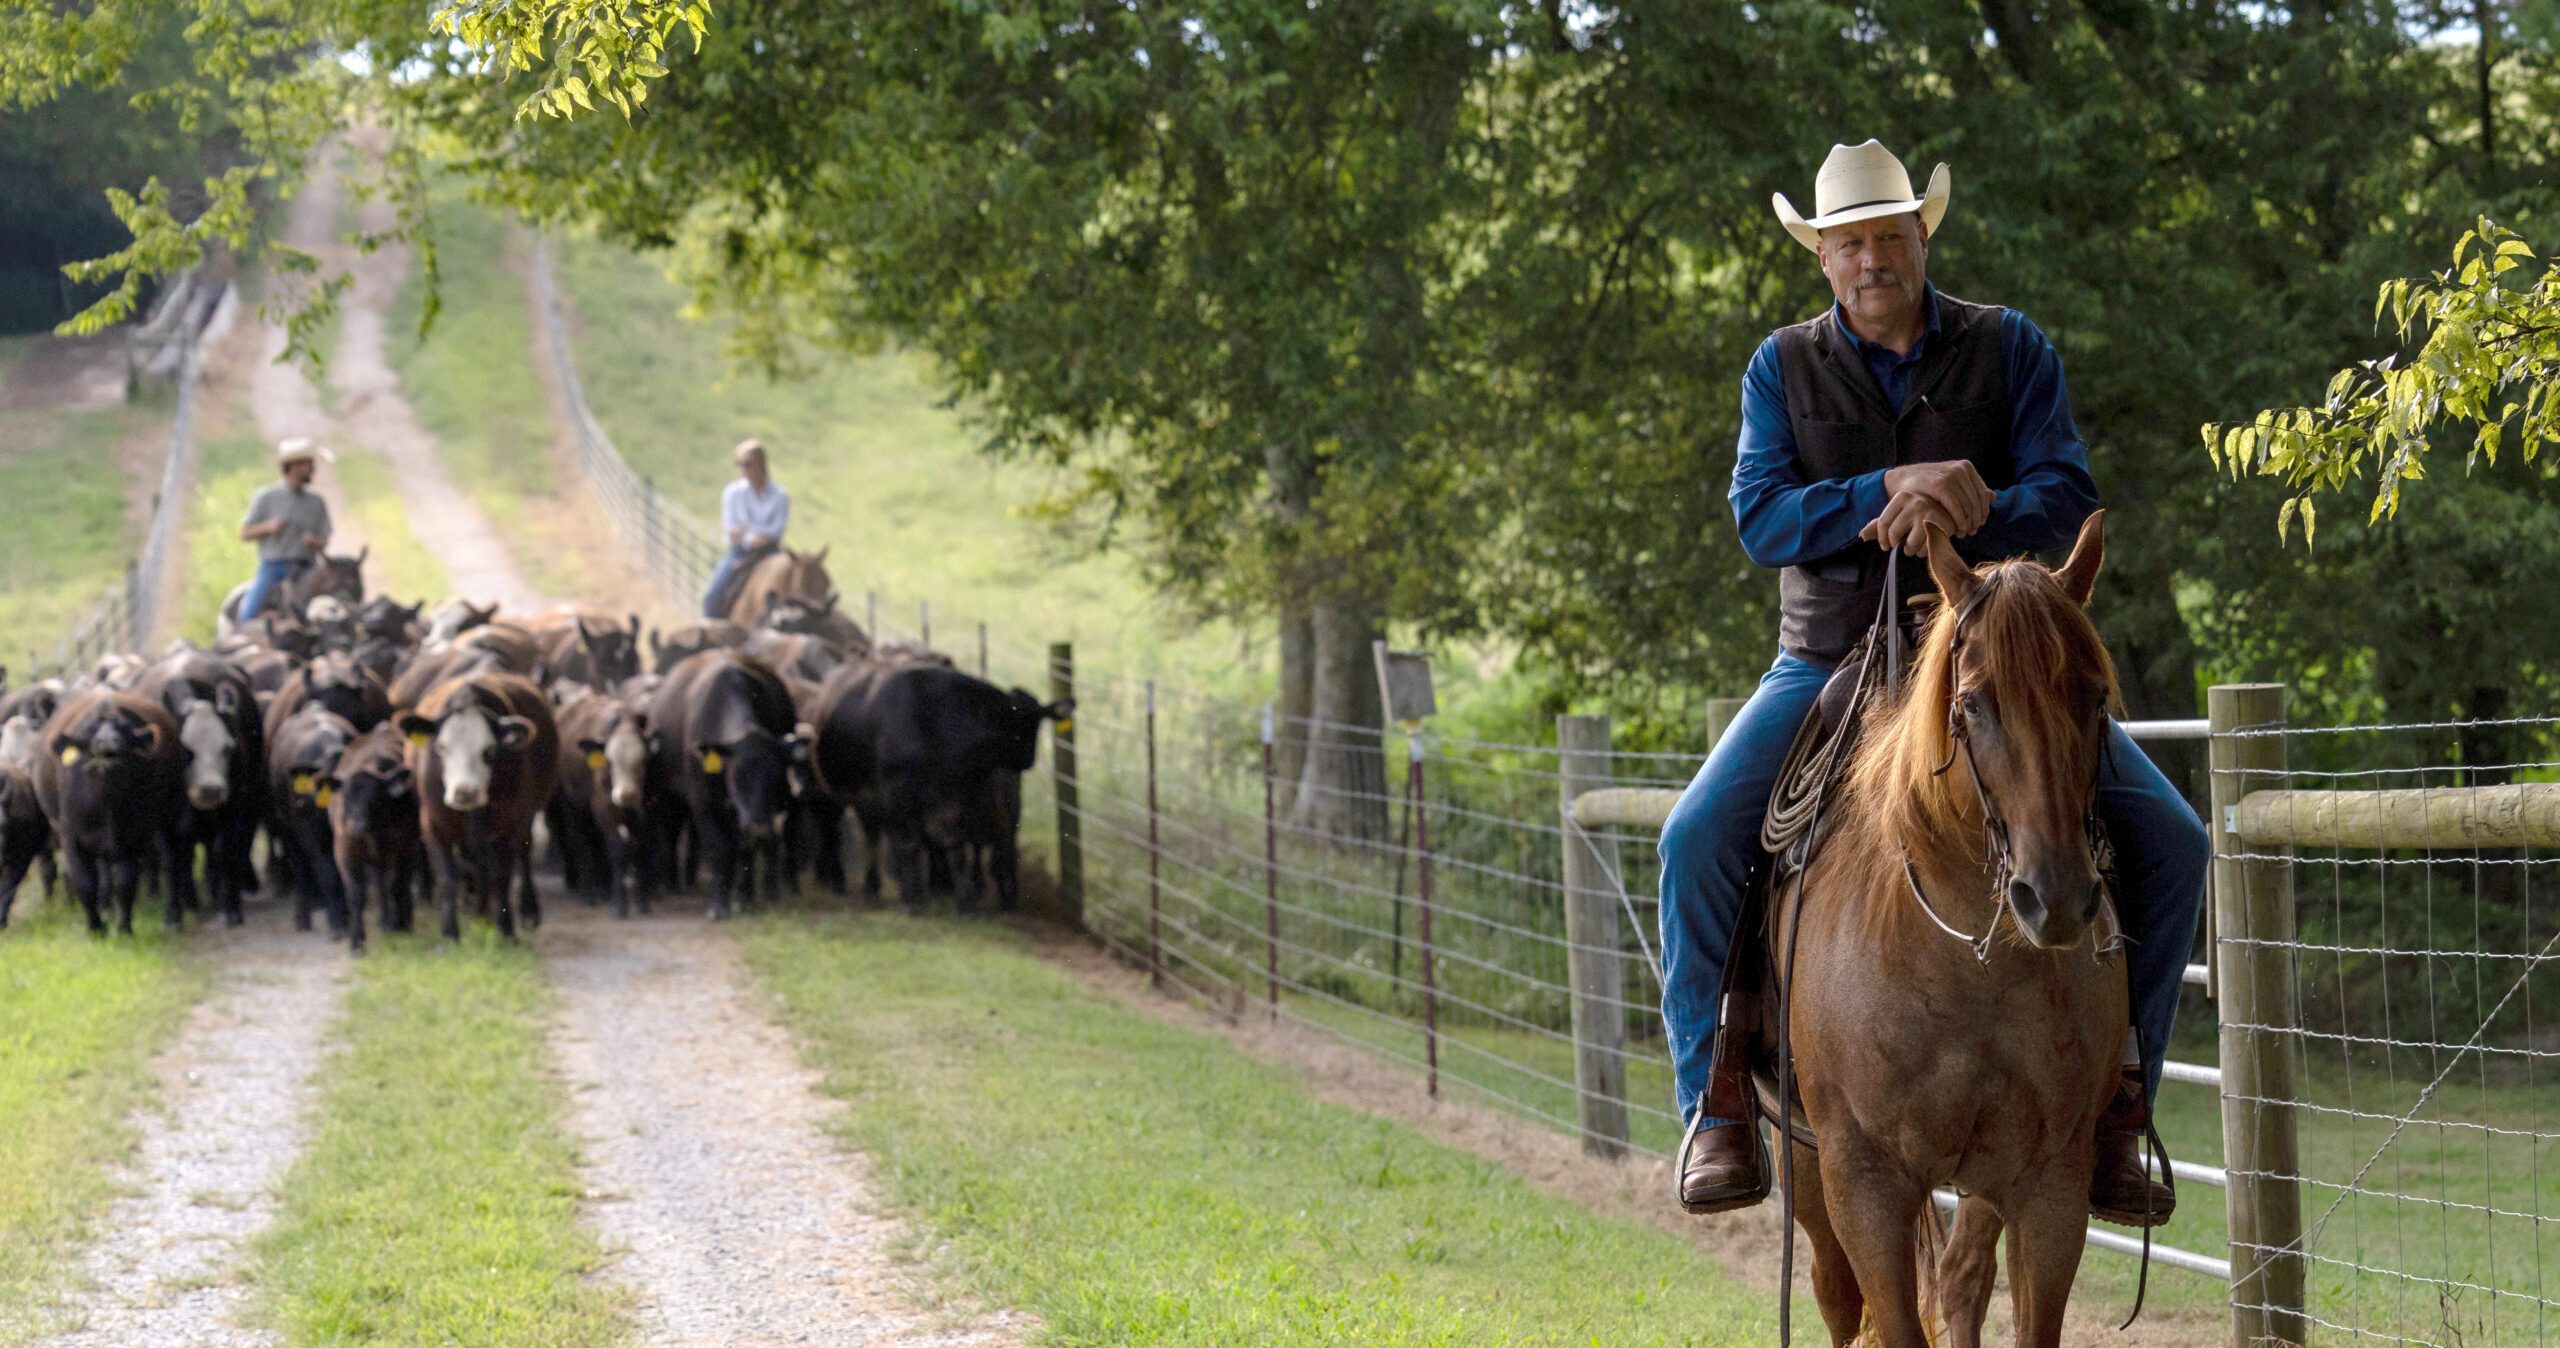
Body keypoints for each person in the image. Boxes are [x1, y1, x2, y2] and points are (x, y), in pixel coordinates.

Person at [1658, 140, 2210, 1226]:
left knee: (2175, 838)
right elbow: (1759, 515)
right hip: (1827, 658)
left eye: (1890, 236)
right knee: (1693, 837)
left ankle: (2118, 1100)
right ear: (1822, 256)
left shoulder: (2011, 347)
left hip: (1989, 659)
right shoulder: (1780, 367)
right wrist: (1883, 487)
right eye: (1850, 241)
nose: (1872, 257)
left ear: (1923, 238)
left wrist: (1975, 507)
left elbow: (2065, 492)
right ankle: (1717, 1100)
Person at [239, 437, 335, 622]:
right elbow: (245, 533)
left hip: (308, 568)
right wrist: (268, 527)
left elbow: (325, 540)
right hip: (274, 566)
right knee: (248, 615)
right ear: (295, 466)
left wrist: (315, 542)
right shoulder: (266, 497)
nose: (313, 470)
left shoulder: (316, 502)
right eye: (309, 465)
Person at [702, 437, 790, 619]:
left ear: (761, 464)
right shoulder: (732, 494)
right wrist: (753, 538)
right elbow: (732, 531)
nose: (744, 470)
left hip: (771, 552)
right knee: (710, 598)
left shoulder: (780, 496)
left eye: (748, 464)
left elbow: (776, 530)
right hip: (740, 553)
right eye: (740, 465)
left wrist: (748, 532)